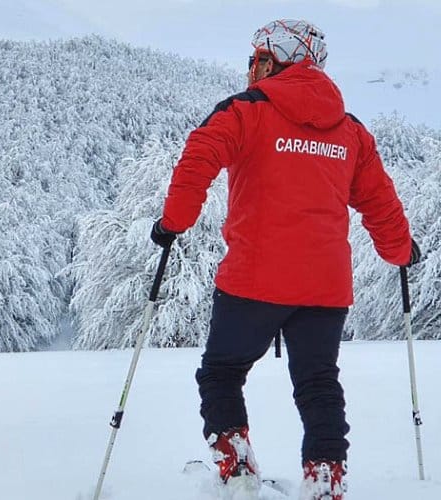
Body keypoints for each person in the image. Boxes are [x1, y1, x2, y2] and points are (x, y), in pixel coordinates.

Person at [150, 19, 421, 500]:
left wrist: (173, 223)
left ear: (278, 60)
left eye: (257, 59)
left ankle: (236, 468)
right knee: (318, 383)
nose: (251, 69)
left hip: (253, 280)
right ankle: (325, 480)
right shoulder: (351, 129)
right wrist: (399, 251)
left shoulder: (245, 111)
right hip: (325, 287)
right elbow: (380, 200)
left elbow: (198, 157)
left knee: (221, 372)